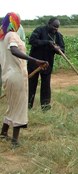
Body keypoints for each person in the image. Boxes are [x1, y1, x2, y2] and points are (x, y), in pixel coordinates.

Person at [0, 12, 48, 147]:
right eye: (18, 21)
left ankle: (3, 133)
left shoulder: (2, 37)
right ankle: (15, 140)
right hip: (16, 76)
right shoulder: (12, 35)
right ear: (13, 22)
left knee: (12, 105)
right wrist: (36, 60)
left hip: (8, 76)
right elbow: (14, 50)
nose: (19, 23)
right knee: (20, 107)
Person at [27, 17, 65, 111]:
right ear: (49, 24)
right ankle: (28, 105)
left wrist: (57, 49)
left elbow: (62, 50)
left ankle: (45, 107)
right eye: (54, 26)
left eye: (57, 27)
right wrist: (47, 42)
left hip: (47, 64)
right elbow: (32, 41)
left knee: (46, 86)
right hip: (34, 63)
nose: (55, 29)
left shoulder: (58, 35)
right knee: (31, 84)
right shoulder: (39, 30)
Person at [0, 24, 25, 96]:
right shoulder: (2, 27)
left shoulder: (20, 28)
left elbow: (22, 41)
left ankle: (12, 94)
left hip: (14, 55)